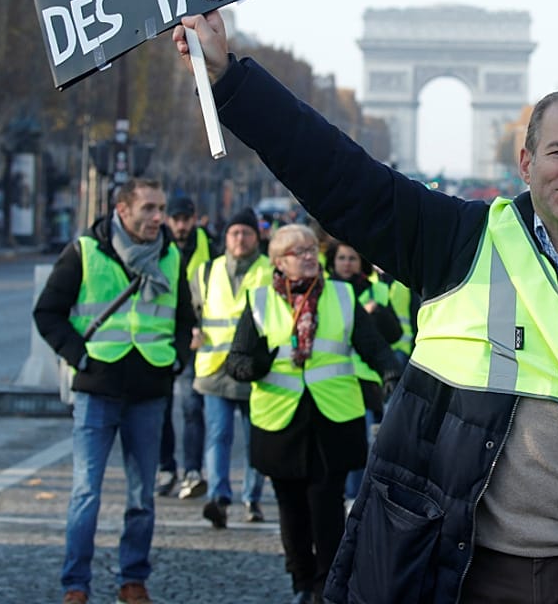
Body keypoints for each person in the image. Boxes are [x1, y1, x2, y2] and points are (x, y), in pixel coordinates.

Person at [175, 10, 558, 604]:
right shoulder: (458, 243)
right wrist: (230, 79)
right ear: (526, 163)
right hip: (469, 567)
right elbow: (342, 180)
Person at [33, 178, 197, 604]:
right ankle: (75, 584)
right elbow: (47, 312)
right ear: (122, 211)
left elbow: (182, 317)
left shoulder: (170, 256)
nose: (158, 217)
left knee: (143, 495)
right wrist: (79, 357)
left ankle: (133, 579)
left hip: (149, 387)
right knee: (86, 491)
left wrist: (177, 358)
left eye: (160, 208)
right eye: (148, 208)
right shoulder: (85, 251)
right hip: (98, 387)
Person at [224, 224, 400, 604]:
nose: (309, 257)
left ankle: (327, 585)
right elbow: (236, 361)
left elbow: (372, 345)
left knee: (327, 504)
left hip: (333, 418)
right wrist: (253, 365)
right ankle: (301, 581)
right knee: (291, 508)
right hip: (279, 420)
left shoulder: (341, 295)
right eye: (298, 252)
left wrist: (390, 371)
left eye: (311, 250)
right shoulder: (259, 301)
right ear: (278, 262)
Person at [193, 209, 271, 529]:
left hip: (253, 370)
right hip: (213, 368)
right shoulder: (206, 271)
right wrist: (193, 332)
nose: (240, 239)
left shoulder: (271, 271)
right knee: (218, 435)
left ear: (257, 237)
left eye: (247, 233)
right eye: (234, 233)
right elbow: (194, 312)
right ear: (225, 237)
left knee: (257, 440)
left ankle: (252, 498)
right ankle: (218, 498)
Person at [326, 239, 404, 504]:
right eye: (341, 259)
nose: (346, 264)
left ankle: (355, 495)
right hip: (333, 380)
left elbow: (395, 334)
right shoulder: (323, 293)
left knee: (363, 441)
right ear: (332, 262)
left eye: (352, 258)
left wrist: (377, 312)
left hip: (367, 380)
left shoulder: (376, 292)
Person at [156, 197, 210, 500]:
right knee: (161, 407)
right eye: (175, 219)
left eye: (185, 219)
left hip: (197, 335)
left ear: (193, 218)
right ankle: (166, 467)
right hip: (164, 332)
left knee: (192, 407)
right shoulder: (158, 244)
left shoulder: (209, 244)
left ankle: (192, 470)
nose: (180, 225)